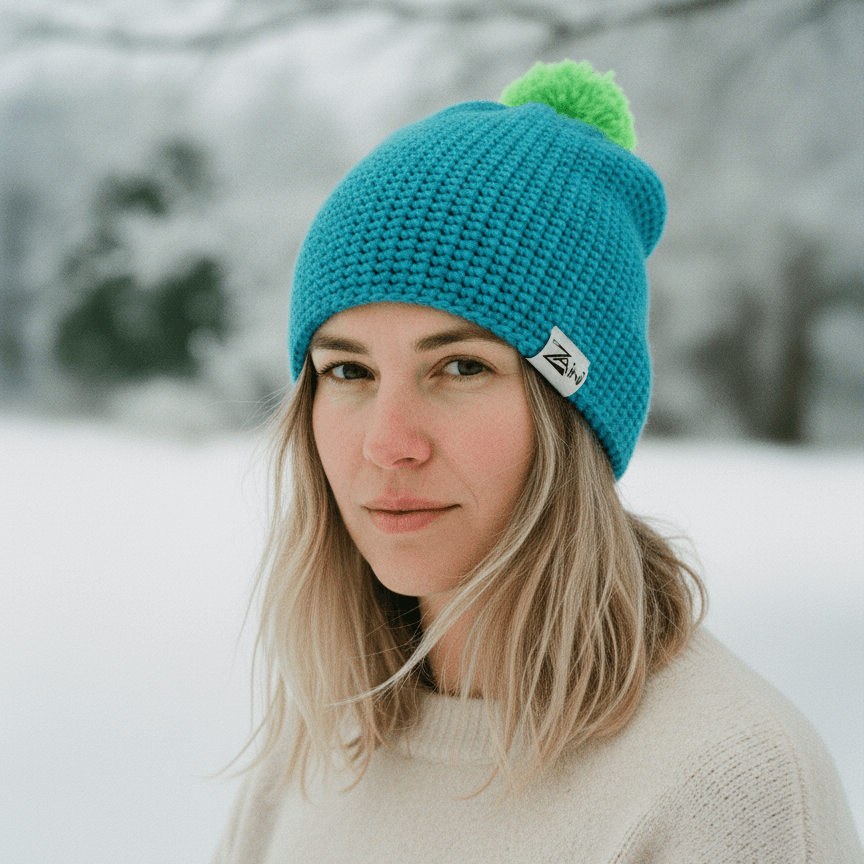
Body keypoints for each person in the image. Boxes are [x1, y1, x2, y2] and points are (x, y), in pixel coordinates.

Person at [212, 60, 862, 862]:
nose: (388, 441)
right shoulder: (313, 750)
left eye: (460, 368)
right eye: (348, 370)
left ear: (571, 413)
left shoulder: (724, 780)